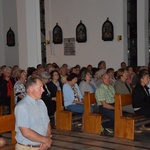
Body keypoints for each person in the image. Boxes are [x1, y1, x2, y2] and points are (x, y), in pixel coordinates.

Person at [15, 77, 52, 150]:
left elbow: (47, 122)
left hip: (42, 145)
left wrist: (46, 140)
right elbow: (26, 132)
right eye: (40, 87)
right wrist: (46, 140)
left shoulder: (41, 103)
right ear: (31, 89)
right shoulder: (22, 106)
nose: (43, 90)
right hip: (27, 147)